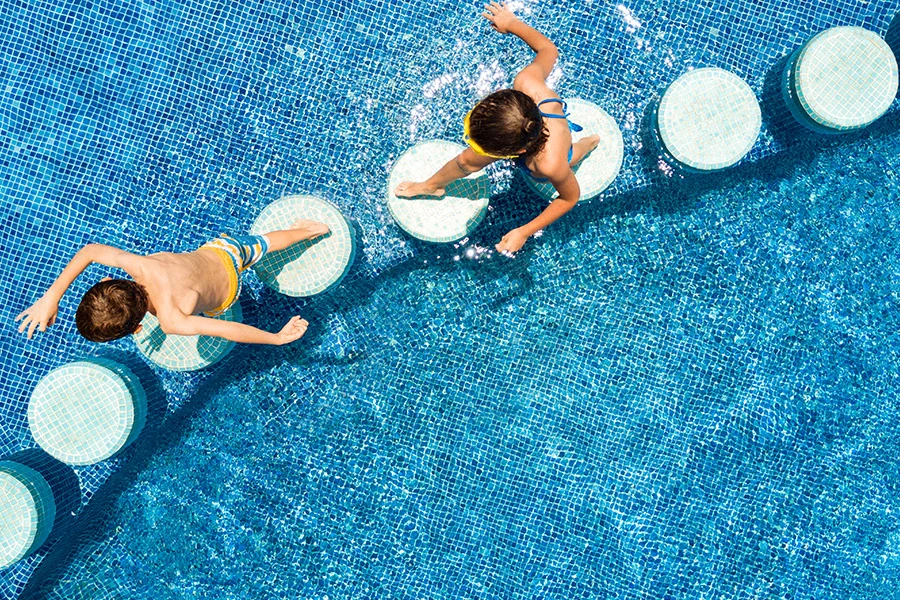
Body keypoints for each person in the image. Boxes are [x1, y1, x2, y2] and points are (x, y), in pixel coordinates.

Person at [394, 2, 599, 254]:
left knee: (570, 157)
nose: (470, 138)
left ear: (509, 152)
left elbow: (569, 198)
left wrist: (523, 231)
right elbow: (548, 49)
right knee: (464, 162)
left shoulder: (548, 163)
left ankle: (589, 143)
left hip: (556, 153)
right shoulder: (527, 82)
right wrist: (512, 24)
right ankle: (431, 185)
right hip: (521, 135)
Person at [16, 221, 330, 345]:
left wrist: (276, 338)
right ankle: (309, 231)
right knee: (265, 242)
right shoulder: (142, 265)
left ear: (138, 328)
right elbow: (90, 252)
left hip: (227, 297)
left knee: (210, 309)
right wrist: (51, 297)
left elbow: (229, 330)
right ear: (110, 279)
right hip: (225, 253)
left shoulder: (171, 321)